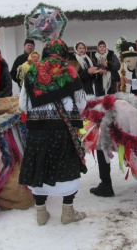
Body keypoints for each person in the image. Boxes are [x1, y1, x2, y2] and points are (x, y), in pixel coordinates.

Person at [19, 38, 87, 226]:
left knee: (39, 166)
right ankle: (68, 213)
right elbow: (81, 102)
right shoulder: (69, 71)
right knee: (66, 168)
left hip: (37, 132)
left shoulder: (32, 72)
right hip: (62, 131)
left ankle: (41, 213)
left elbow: (22, 104)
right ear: (63, 52)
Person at [89, 40, 120, 197]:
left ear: (106, 48)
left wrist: (106, 65)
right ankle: (105, 183)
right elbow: (91, 73)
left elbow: (117, 67)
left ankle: (106, 183)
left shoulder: (112, 55)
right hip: (100, 91)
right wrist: (97, 71)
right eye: (100, 47)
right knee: (102, 125)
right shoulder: (94, 58)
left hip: (112, 90)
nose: (101, 48)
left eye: (103, 46)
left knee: (112, 116)